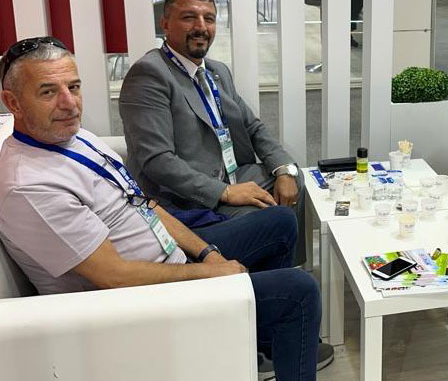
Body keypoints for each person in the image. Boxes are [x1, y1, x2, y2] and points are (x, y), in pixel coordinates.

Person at [0, 37, 331, 381]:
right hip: (135, 303)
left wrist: (207, 254)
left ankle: (261, 342)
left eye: (74, 87)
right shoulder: (30, 186)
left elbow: (142, 203)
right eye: (48, 92)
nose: (69, 103)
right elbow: (115, 276)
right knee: (299, 292)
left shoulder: (71, 137)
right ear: (13, 103)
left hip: (165, 257)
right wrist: (208, 273)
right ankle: (271, 325)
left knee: (279, 221)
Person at [119, 0, 309, 266]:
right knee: (271, 217)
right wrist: (225, 192)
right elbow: (157, 161)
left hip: (228, 174)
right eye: (189, 17)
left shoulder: (216, 71)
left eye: (208, 18)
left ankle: (285, 271)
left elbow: (253, 127)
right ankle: (258, 281)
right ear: (165, 24)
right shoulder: (149, 74)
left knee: (294, 179)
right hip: (185, 199)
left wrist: (283, 169)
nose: (201, 27)